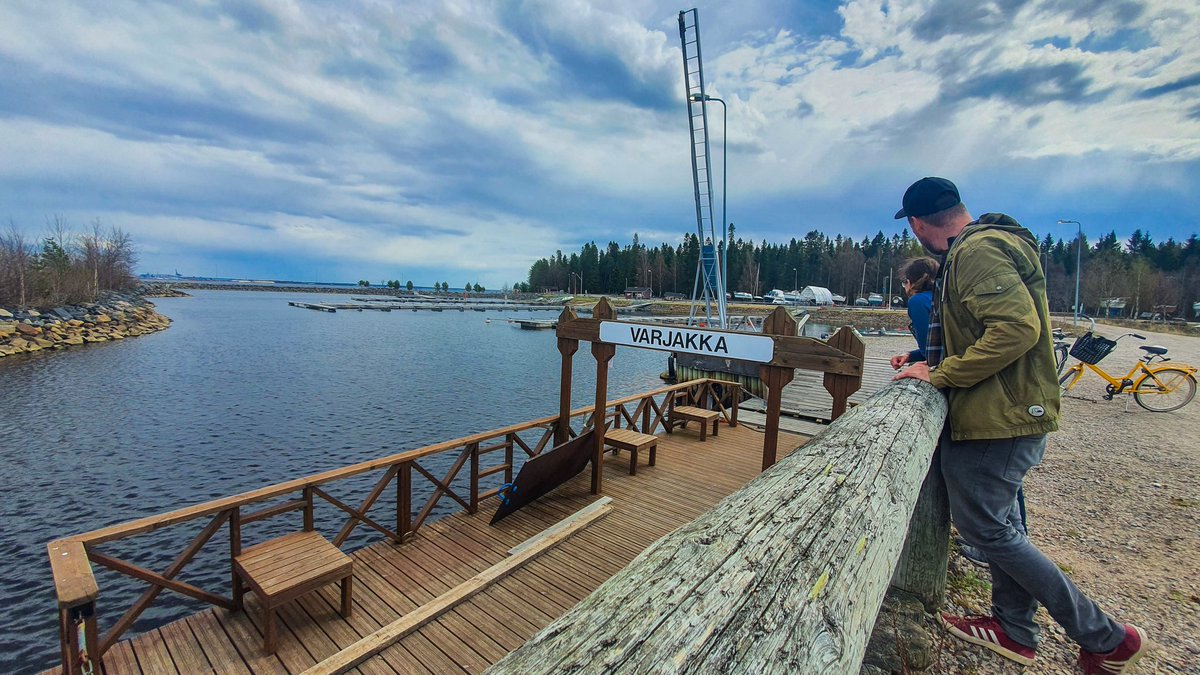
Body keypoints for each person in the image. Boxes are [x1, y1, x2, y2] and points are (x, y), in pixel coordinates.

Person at [891, 177, 1146, 674]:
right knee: (999, 527)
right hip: (1003, 412)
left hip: (999, 418)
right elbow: (984, 329)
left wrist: (940, 373)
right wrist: (927, 357)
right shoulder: (981, 247)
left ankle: (1107, 637)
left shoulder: (977, 253)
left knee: (988, 531)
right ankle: (1015, 628)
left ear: (919, 224)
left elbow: (1015, 330)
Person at [891, 255, 1029, 568]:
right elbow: (943, 342)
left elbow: (936, 348)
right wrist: (912, 354)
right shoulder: (942, 298)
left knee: (991, 505)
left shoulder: (917, 303)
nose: (904, 287)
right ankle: (1015, 552)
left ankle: (998, 552)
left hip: (963, 392)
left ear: (912, 282)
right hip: (1006, 413)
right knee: (1006, 494)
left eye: (904, 282)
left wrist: (925, 364)